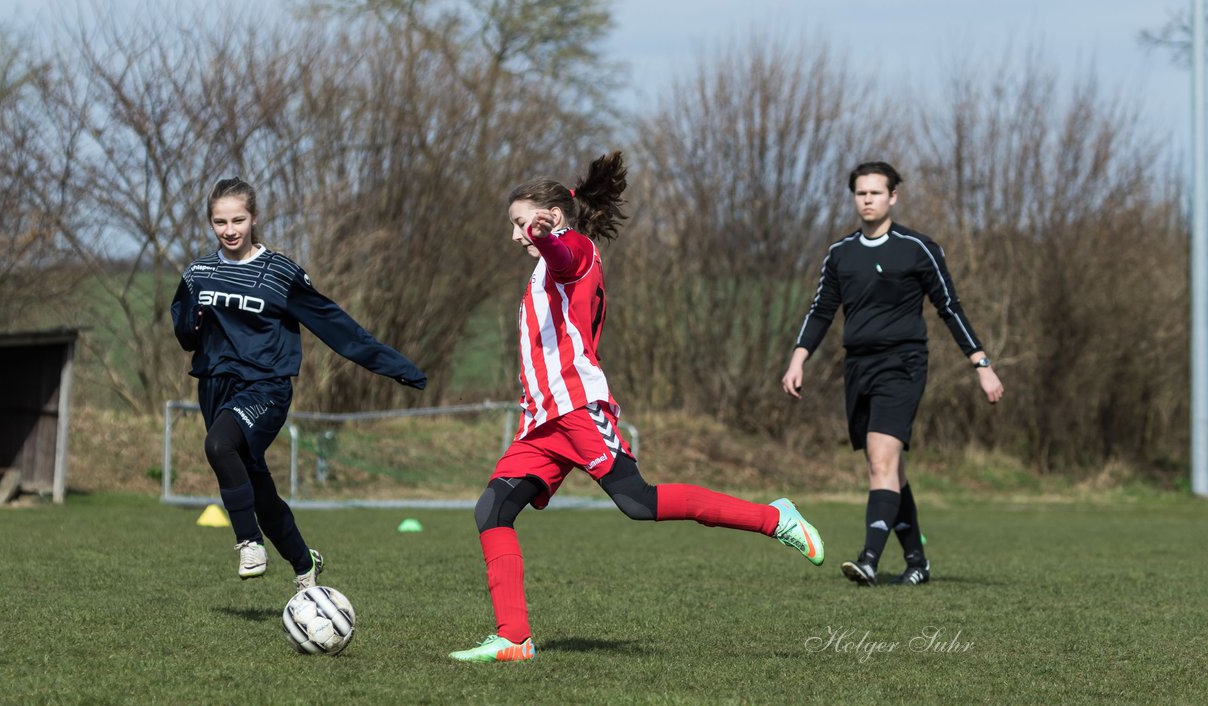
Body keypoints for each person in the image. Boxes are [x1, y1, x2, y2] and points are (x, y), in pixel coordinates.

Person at [449, 151, 825, 664]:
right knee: (492, 509)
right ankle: (514, 639)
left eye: (521, 224)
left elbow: (563, 257)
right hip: (543, 422)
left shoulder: (573, 250)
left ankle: (774, 519)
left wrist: (545, 237)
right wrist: (540, 238)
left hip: (579, 409)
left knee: (638, 503)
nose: (516, 236)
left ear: (550, 217)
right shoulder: (544, 265)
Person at [171, 177, 427, 592]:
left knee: (219, 446)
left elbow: (335, 324)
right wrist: (190, 321)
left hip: (266, 388)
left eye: (238, 219)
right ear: (210, 223)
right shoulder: (198, 273)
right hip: (215, 387)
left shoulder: (279, 273)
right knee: (258, 488)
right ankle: (304, 562)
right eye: (220, 222)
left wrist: (394, 365)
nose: (230, 229)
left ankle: (249, 542)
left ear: (254, 218)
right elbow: (186, 337)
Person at [782, 161, 1004, 587]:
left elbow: (950, 308)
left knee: (881, 461)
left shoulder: (917, 249)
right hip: (858, 367)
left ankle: (868, 559)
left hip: (902, 365)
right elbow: (821, 310)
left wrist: (981, 364)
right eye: (860, 193)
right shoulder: (840, 254)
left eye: (875, 193)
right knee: (889, 469)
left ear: (893, 197)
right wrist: (798, 358)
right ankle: (917, 562)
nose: (867, 200)